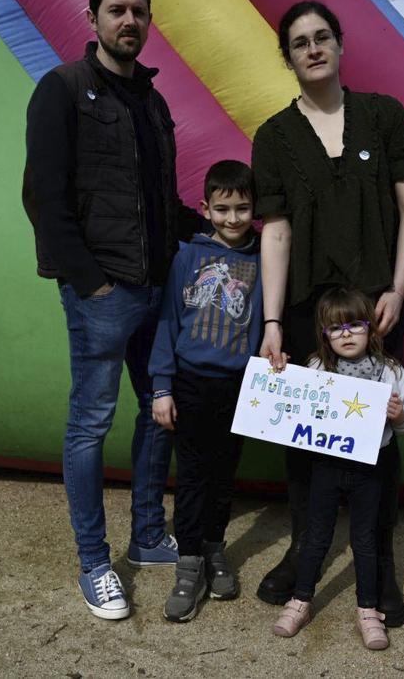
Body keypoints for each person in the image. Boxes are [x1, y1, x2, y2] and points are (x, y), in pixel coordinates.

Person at [22, 0, 204, 620]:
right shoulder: (63, 90)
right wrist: (90, 283)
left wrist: (222, 231)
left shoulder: (152, 103)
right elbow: (44, 198)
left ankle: (149, 536)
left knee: (162, 410)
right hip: (104, 293)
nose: (129, 21)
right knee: (90, 423)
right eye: (117, 10)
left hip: (157, 289)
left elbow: (161, 203)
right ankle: (95, 563)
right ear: (93, 19)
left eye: (139, 12)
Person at [251, 0, 404, 627]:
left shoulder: (384, 116)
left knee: (379, 437)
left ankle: (377, 566)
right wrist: (273, 322)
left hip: (375, 306)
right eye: (299, 42)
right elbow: (275, 231)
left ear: (340, 43)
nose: (313, 48)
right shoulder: (274, 137)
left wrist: (398, 289)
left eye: (322, 36)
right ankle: (305, 548)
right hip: (307, 312)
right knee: (304, 440)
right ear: (288, 57)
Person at [270, 288, 404, 650]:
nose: (346, 334)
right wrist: (279, 374)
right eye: (336, 328)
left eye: (355, 325)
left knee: (366, 539)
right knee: (315, 535)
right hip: (326, 466)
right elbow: (291, 400)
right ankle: (301, 600)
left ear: (370, 328)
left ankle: (368, 610)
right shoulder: (316, 369)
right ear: (324, 334)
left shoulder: (391, 372)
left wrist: (400, 416)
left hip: (370, 471)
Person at [148, 160, 262, 622]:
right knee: (193, 477)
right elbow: (168, 321)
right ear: (205, 208)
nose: (233, 218)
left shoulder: (264, 260)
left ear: (255, 208)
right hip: (191, 383)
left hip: (238, 386)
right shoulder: (187, 257)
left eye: (242, 208)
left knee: (223, 475)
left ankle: (215, 549)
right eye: (222, 209)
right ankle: (189, 563)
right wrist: (161, 387)